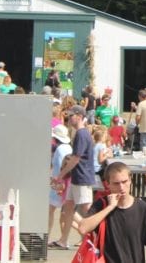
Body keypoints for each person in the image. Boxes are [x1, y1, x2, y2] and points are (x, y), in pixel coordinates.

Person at [79, 161, 146, 263]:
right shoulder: (101, 205)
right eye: (116, 183)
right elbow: (83, 228)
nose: (121, 187)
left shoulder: (142, 208)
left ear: (130, 180)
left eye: (124, 181)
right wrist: (110, 207)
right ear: (108, 184)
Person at [52, 105, 95, 249]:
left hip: (82, 177)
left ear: (79, 116)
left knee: (87, 209)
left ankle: (98, 238)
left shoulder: (82, 134)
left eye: (71, 116)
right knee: (68, 207)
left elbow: (76, 158)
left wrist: (61, 175)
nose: (69, 118)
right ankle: (63, 240)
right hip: (77, 176)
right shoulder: (80, 133)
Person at [49, 124, 74, 247]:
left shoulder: (59, 149)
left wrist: (57, 181)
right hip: (66, 182)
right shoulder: (69, 147)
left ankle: (47, 236)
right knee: (66, 212)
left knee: (51, 210)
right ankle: (64, 238)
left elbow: (59, 166)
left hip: (59, 182)